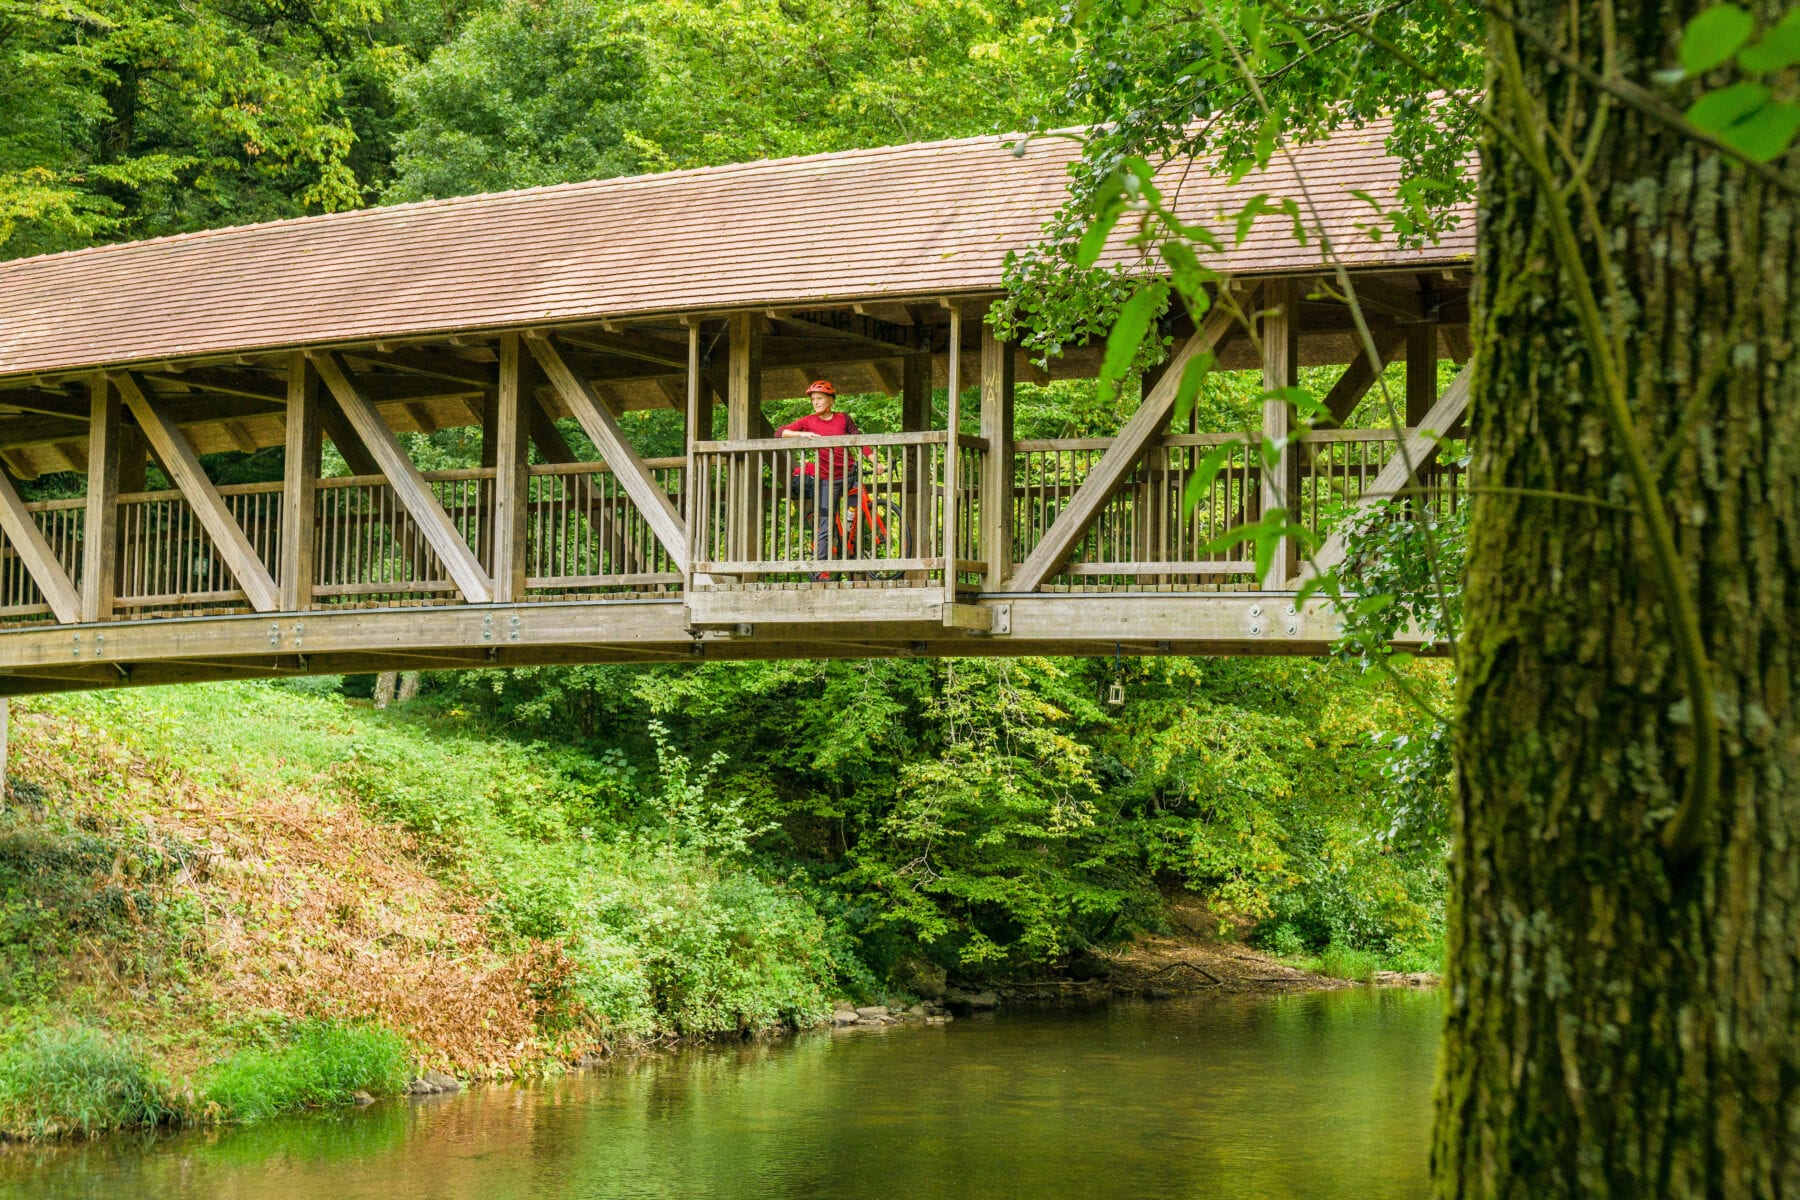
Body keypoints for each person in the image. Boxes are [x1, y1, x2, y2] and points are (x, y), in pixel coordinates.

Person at [778, 380, 875, 581]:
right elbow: (780, 433)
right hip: (826, 480)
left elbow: (859, 440)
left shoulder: (843, 419)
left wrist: (876, 461)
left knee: (860, 501)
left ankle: (847, 532)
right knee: (825, 524)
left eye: (819, 398)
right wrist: (803, 436)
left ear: (830, 400)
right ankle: (822, 570)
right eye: (813, 399)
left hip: (849, 475)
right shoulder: (809, 421)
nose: (815, 402)